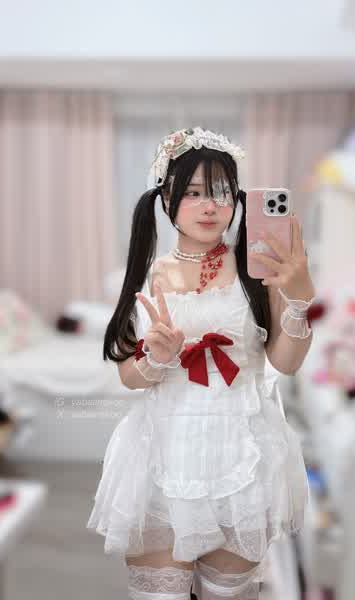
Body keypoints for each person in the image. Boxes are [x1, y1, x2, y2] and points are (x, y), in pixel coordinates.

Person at [87, 127, 316, 599]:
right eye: (193, 193)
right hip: (162, 455)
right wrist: (156, 357)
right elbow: (129, 377)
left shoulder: (257, 271)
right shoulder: (146, 273)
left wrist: (298, 303)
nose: (210, 206)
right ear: (165, 197)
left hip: (242, 456)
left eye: (222, 192)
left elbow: (286, 362)